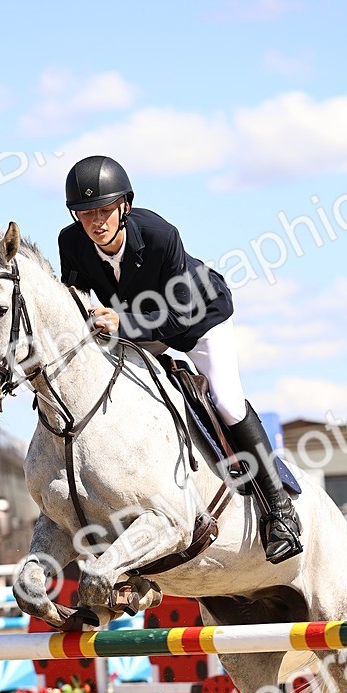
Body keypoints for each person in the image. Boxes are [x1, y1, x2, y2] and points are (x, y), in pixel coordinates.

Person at [58, 154, 302, 564]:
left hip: (198, 318)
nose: (96, 222)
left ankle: (279, 510)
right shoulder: (71, 243)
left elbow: (177, 317)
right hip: (135, 325)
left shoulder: (160, 235)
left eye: (104, 210)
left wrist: (121, 322)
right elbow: (74, 301)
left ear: (124, 207)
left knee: (225, 400)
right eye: (85, 214)